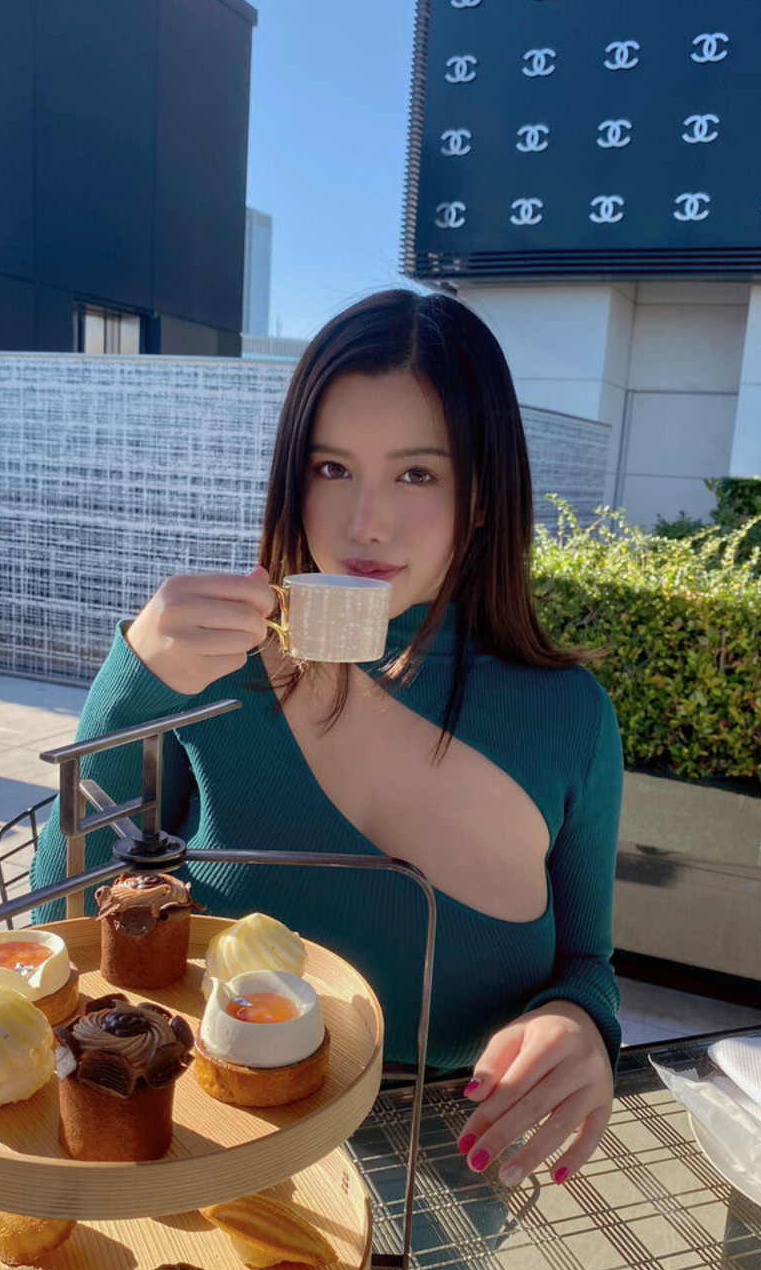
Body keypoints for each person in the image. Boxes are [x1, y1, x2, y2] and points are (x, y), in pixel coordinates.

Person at [31, 288, 623, 1189]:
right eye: (332, 467)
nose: (364, 521)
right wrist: (128, 686)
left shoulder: (569, 716)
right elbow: (60, 931)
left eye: (417, 475)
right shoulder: (214, 667)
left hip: (449, 1179)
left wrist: (580, 1024)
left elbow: (587, 962)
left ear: (481, 495)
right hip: (207, 1155)